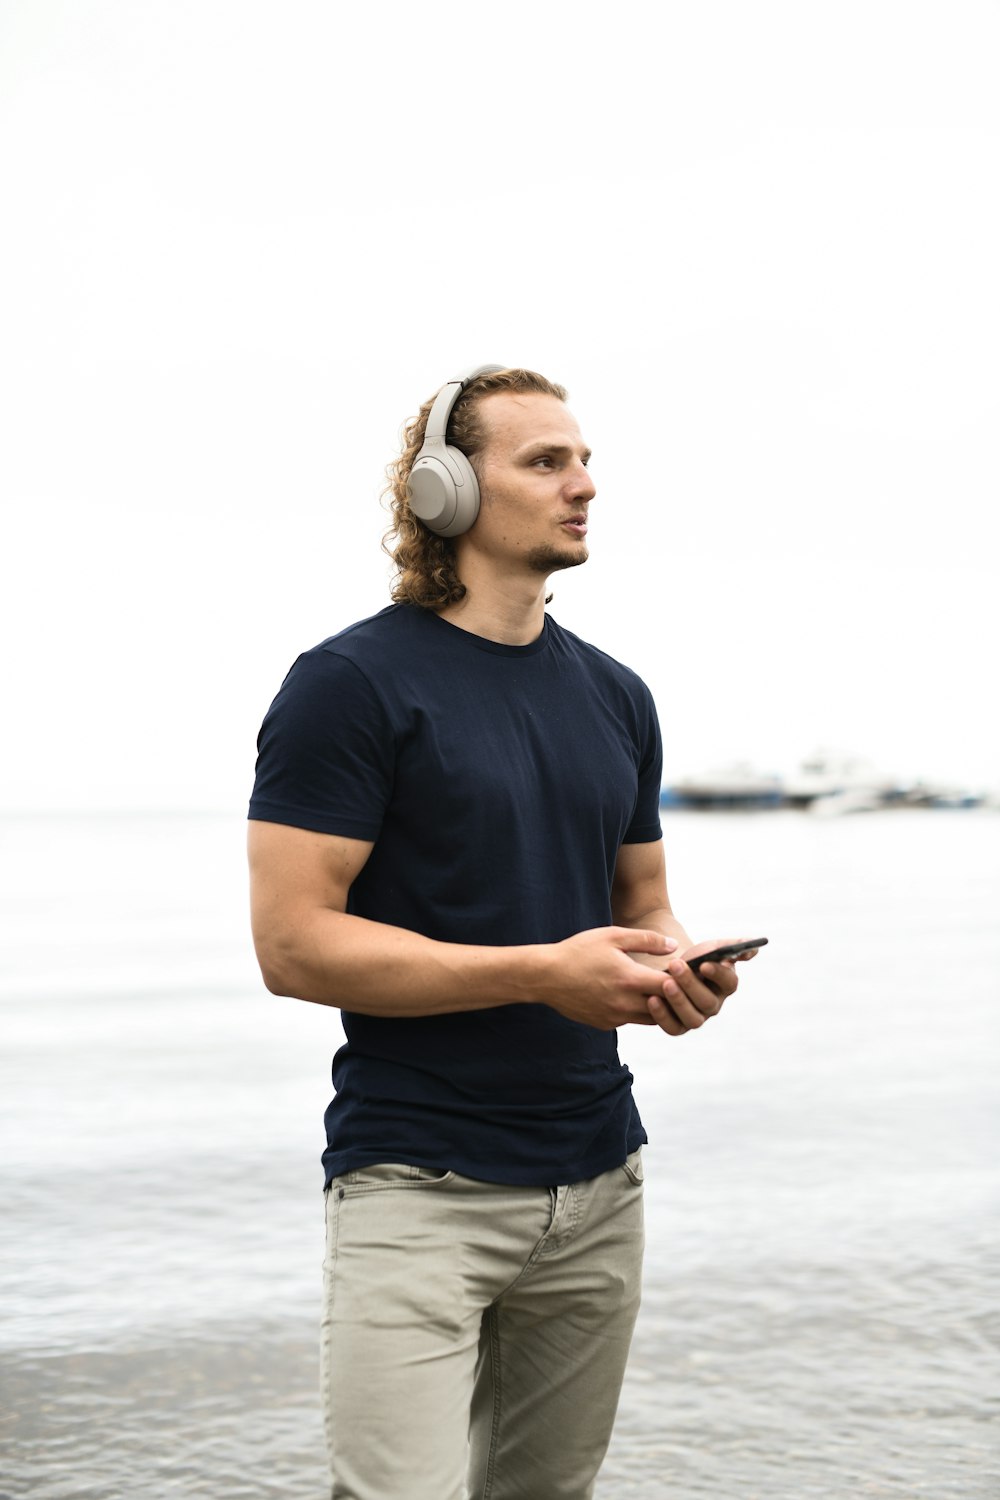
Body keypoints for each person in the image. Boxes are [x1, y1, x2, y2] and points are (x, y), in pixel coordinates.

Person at [247, 364, 759, 1500]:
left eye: (584, 461)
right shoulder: (347, 685)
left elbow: (641, 906)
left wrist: (670, 968)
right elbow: (291, 948)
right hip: (416, 1184)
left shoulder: (618, 696)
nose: (583, 486)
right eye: (545, 461)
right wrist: (544, 974)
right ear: (443, 490)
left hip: (599, 1181)